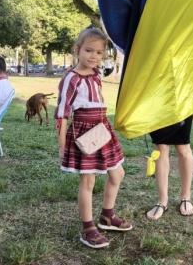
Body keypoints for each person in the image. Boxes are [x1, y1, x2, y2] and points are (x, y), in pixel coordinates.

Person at [55, 28, 132, 249]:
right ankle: (88, 228)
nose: (94, 56)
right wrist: (62, 147)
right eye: (88, 50)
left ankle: (107, 216)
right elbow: (62, 114)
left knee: (117, 173)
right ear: (77, 50)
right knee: (88, 181)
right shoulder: (71, 78)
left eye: (99, 53)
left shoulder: (97, 74)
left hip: (101, 129)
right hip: (83, 131)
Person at [146, 116, 193, 220]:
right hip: (156, 103)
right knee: (161, 146)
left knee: (183, 146)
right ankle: (162, 201)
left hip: (180, 102)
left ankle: (186, 197)